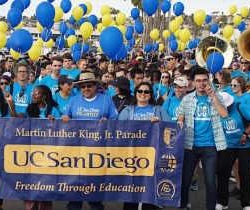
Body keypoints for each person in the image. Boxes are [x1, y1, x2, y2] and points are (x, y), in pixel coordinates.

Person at [61, 71, 118, 210]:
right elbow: (66, 117)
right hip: (76, 151)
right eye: (83, 86)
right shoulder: (74, 100)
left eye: (89, 86)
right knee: (75, 189)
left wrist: (108, 122)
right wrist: (65, 118)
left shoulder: (106, 100)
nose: (86, 89)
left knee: (95, 189)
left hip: (97, 152)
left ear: (95, 86)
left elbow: (116, 121)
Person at [177, 66, 228, 210]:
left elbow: (224, 114)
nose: (202, 83)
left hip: (210, 145)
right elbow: (181, 117)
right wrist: (180, 121)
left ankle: (210, 208)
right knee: (185, 180)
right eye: (198, 81)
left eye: (204, 80)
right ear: (193, 82)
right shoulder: (187, 99)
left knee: (210, 182)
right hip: (190, 144)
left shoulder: (216, 96)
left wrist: (213, 97)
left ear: (209, 81)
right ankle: (183, 205)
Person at [118, 82, 170, 210]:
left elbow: (170, 130)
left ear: (150, 95)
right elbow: (118, 130)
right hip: (131, 155)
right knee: (131, 188)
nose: (143, 94)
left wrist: (160, 123)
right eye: (140, 91)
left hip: (152, 155)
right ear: (135, 93)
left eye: (146, 92)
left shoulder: (159, 110)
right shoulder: (127, 110)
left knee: (150, 188)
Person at [216, 92, 250, 210]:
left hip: (246, 145)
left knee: (244, 173)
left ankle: (246, 203)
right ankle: (222, 202)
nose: (228, 107)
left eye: (229, 105)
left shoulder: (240, 106)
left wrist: (245, 134)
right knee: (222, 171)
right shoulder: (217, 109)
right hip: (229, 144)